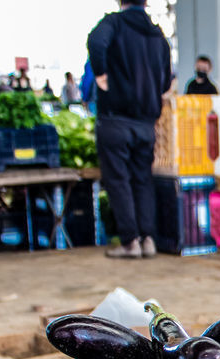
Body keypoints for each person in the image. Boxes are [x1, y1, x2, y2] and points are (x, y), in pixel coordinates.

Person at [87, 0, 172, 259]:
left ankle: (130, 241)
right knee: (142, 180)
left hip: (116, 119)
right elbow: (166, 79)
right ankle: (148, 239)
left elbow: (95, 41)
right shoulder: (157, 35)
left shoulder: (113, 23)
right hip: (146, 123)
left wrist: (101, 74)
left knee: (118, 180)